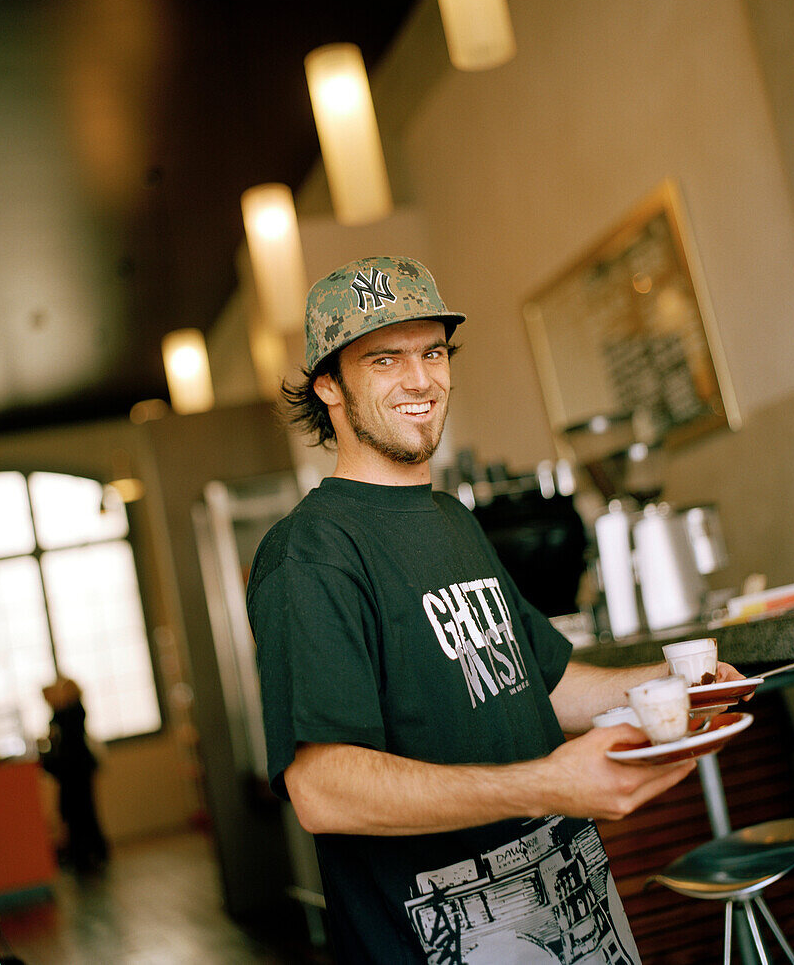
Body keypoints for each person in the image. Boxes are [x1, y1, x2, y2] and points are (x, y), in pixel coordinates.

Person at [247, 256, 746, 964]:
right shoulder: (309, 554)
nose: (420, 380)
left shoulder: (451, 520)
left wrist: (672, 685)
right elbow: (324, 790)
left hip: (574, 898)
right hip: (440, 934)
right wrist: (550, 782)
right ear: (328, 384)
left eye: (433, 353)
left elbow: (544, 681)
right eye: (385, 359)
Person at [40, 676, 109, 874]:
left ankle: (92, 852)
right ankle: (83, 853)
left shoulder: (74, 711)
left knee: (84, 812)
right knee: (75, 813)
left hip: (77, 770)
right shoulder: (64, 713)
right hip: (71, 771)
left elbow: (66, 739)